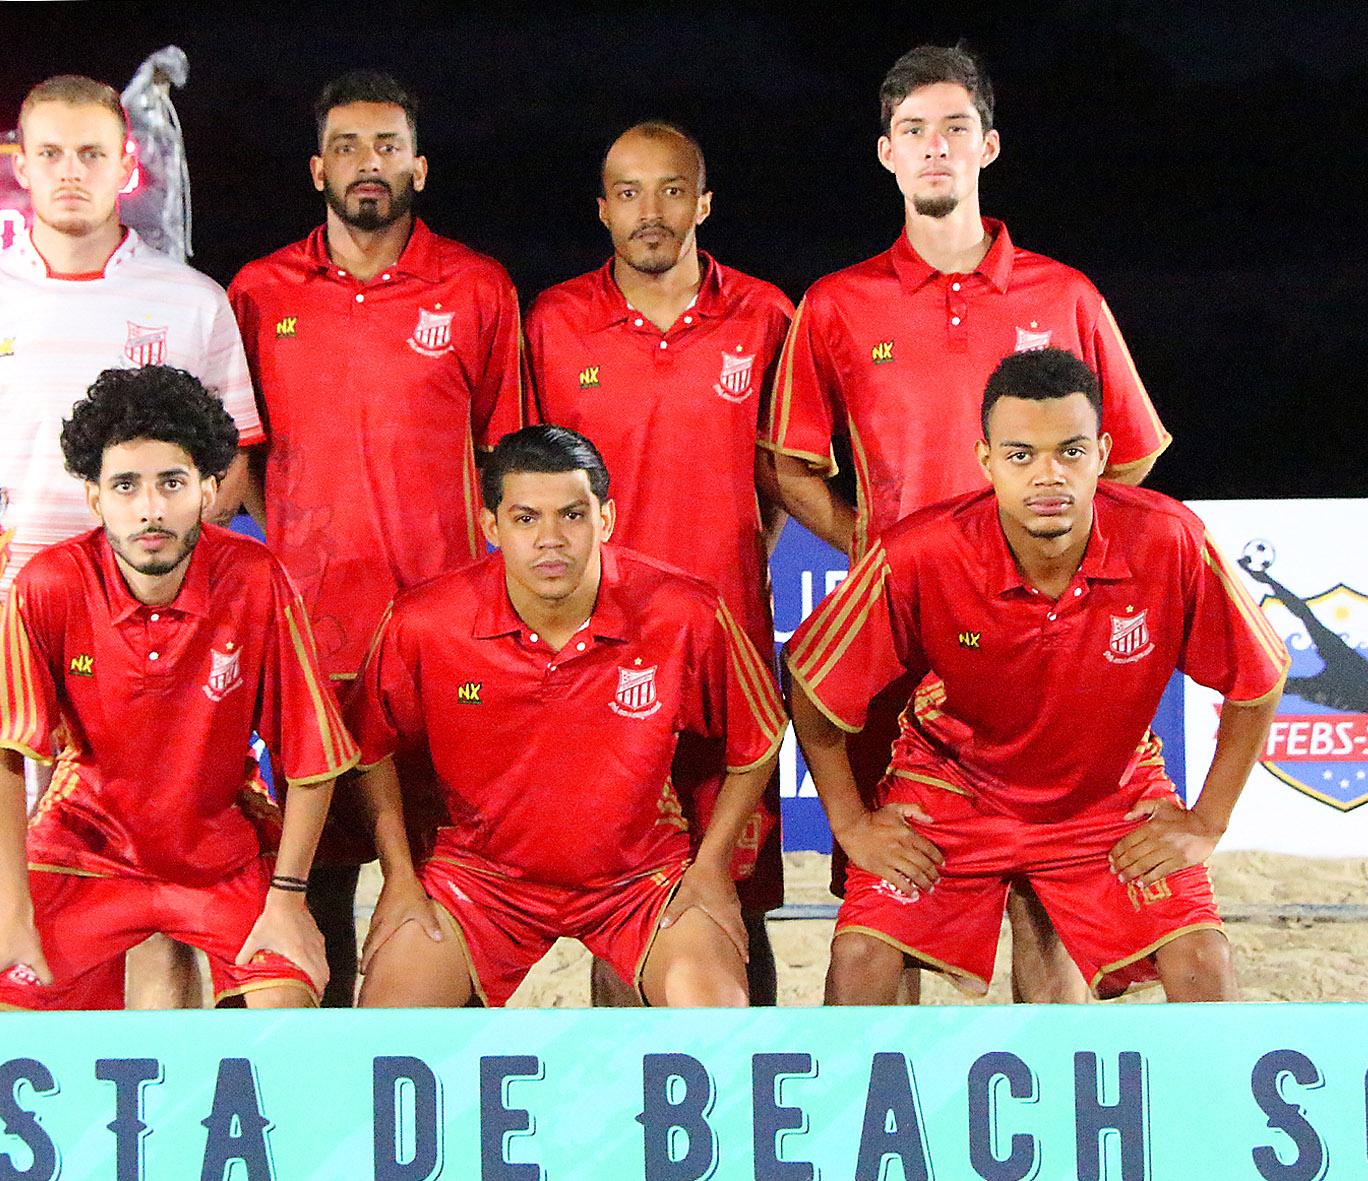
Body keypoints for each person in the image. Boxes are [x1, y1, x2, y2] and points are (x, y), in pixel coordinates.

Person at [760, 44, 1172, 1002]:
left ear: (988, 145)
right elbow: (788, 463)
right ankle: (888, 1103)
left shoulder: (1065, 295)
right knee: (890, 899)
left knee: (1046, 902)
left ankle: (1045, 1100)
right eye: (913, 131)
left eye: (954, 128)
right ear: (887, 153)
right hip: (901, 640)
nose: (934, 147)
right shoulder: (837, 304)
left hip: (1041, 645)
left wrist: (1060, 550)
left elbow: (1130, 451)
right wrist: (882, 552)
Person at [0, 74, 262, 1009]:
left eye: (92, 153)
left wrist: (153, 576)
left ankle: (163, 1100)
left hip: (152, 650)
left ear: (125, 164)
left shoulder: (192, 302)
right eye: (49, 153)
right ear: (18, 165)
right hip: (2, 647)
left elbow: (232, 472)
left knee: (160, 914)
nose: (70, 172)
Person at [787, 348, 1287, 1003]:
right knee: (861, 956)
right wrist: (851, 824)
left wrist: (1208, 820)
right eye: (1021, 455)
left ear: (1103, 454)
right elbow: (811, 683)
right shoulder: (922, 552)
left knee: (1203, 960)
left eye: (1070, 452)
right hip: (955, 788)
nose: (1048, 474)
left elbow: (1261, 678)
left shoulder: (1168, 539)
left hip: (1105, 795)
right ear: (986, 460)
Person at [228, 70, 524, 1005]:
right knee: (313, 885)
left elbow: (509, 462)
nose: (369, 163)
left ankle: (443, 1083)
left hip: (441, 645)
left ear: (419, 168)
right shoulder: (258, 291)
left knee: (443, 887)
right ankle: (323, 1088)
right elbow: (240, 461)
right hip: (308, 645)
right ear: (317, 167)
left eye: (388, 146)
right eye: (347, 146)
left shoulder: (477, 286)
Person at [0, 364, 358, 1011]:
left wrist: (288, 899)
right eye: (125, 485)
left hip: (222, 855)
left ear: (207, 489)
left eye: (171, 483)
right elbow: (4, 752)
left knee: (284, 1018)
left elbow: (313, 756)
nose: (150, 507)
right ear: (94, 498)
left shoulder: (254, 576)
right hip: (82, 852)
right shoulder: (49, 584)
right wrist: (11, 910)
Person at [350, 426, 785, 1008]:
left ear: (605, 519)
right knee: (387, 1029)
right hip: (478, 881)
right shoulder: (424, 622)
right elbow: (369, 746)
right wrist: (399, 876)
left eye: (572, 516)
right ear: (491, 527)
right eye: (526, 519)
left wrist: (710, 867)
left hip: (641, 881)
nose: (550, 539)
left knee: (714, 1021)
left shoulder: (684, 612)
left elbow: (760, 738)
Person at [523, 121, 793, 1005]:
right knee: (617, 899)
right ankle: (617, 1086)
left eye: (672, 190)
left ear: (703, 202)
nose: (651, 211)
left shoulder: (765, 315)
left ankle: (754, 1079)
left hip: (728, 651)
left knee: (734, 898)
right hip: (600, 658)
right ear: (602, 209)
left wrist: (728, 564)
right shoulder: (554, 322)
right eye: (630, 193)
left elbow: (779, 476)